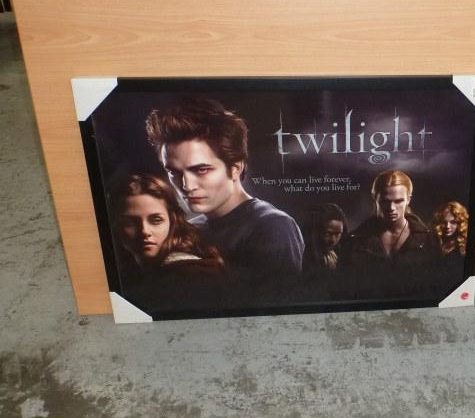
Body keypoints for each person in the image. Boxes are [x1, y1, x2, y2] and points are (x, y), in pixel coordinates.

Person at [145, 97, 304, 302]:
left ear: (235, 168)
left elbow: (279, 309)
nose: (186, 185)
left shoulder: (274, 226)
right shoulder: (190, 229)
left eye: (201, 170)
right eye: (174, 172)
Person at [110, 174, 230, 314]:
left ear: (172, 221)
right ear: (116, 225)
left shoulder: (195, 276)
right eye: (130, 222)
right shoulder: (127, 274)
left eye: (156, 220)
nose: (145, 231)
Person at [343, 170, 441, 300]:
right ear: (375, 198)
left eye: (398, 201)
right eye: (385, 201)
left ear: (408, 199)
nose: (391, 208)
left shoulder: (428, 239)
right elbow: (345, 288)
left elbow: (435, 286)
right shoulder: (354, 241)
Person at [302, 203, 348, 277]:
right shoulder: (305, 256)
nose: (333, 240)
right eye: (327, 234)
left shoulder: (340, 254)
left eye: (338, 234)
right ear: (317, 231)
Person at [431, 200, 470, 286]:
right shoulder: (434, 244)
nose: (447, 226)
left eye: (453, 222)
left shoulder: (463, 248)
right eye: (444, 222)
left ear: (460, 223)